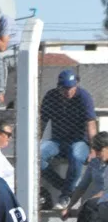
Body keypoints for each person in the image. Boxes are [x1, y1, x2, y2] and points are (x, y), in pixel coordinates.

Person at [42, 70, 98, 209]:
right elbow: (42, 122)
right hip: (57, 141)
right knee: (36, 155)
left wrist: (93, 149)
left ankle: (66, 196)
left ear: (76, 85)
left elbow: (91, 124)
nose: (68, 91)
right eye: (64, 88)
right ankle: (64, 185)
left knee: (76, 153)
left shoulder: (84, 97)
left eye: (71, 87)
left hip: (79, 141)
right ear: (58, 86)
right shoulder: (51, 96)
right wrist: (34, 141)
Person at [60, 131, 108, 222]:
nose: (96, 154)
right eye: (94, 150)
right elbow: (82, 186)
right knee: (90, 209)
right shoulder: (95, 162)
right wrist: (69, 206)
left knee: (90, 206)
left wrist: (88, 202)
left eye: (99, 150)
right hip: (95, 207)